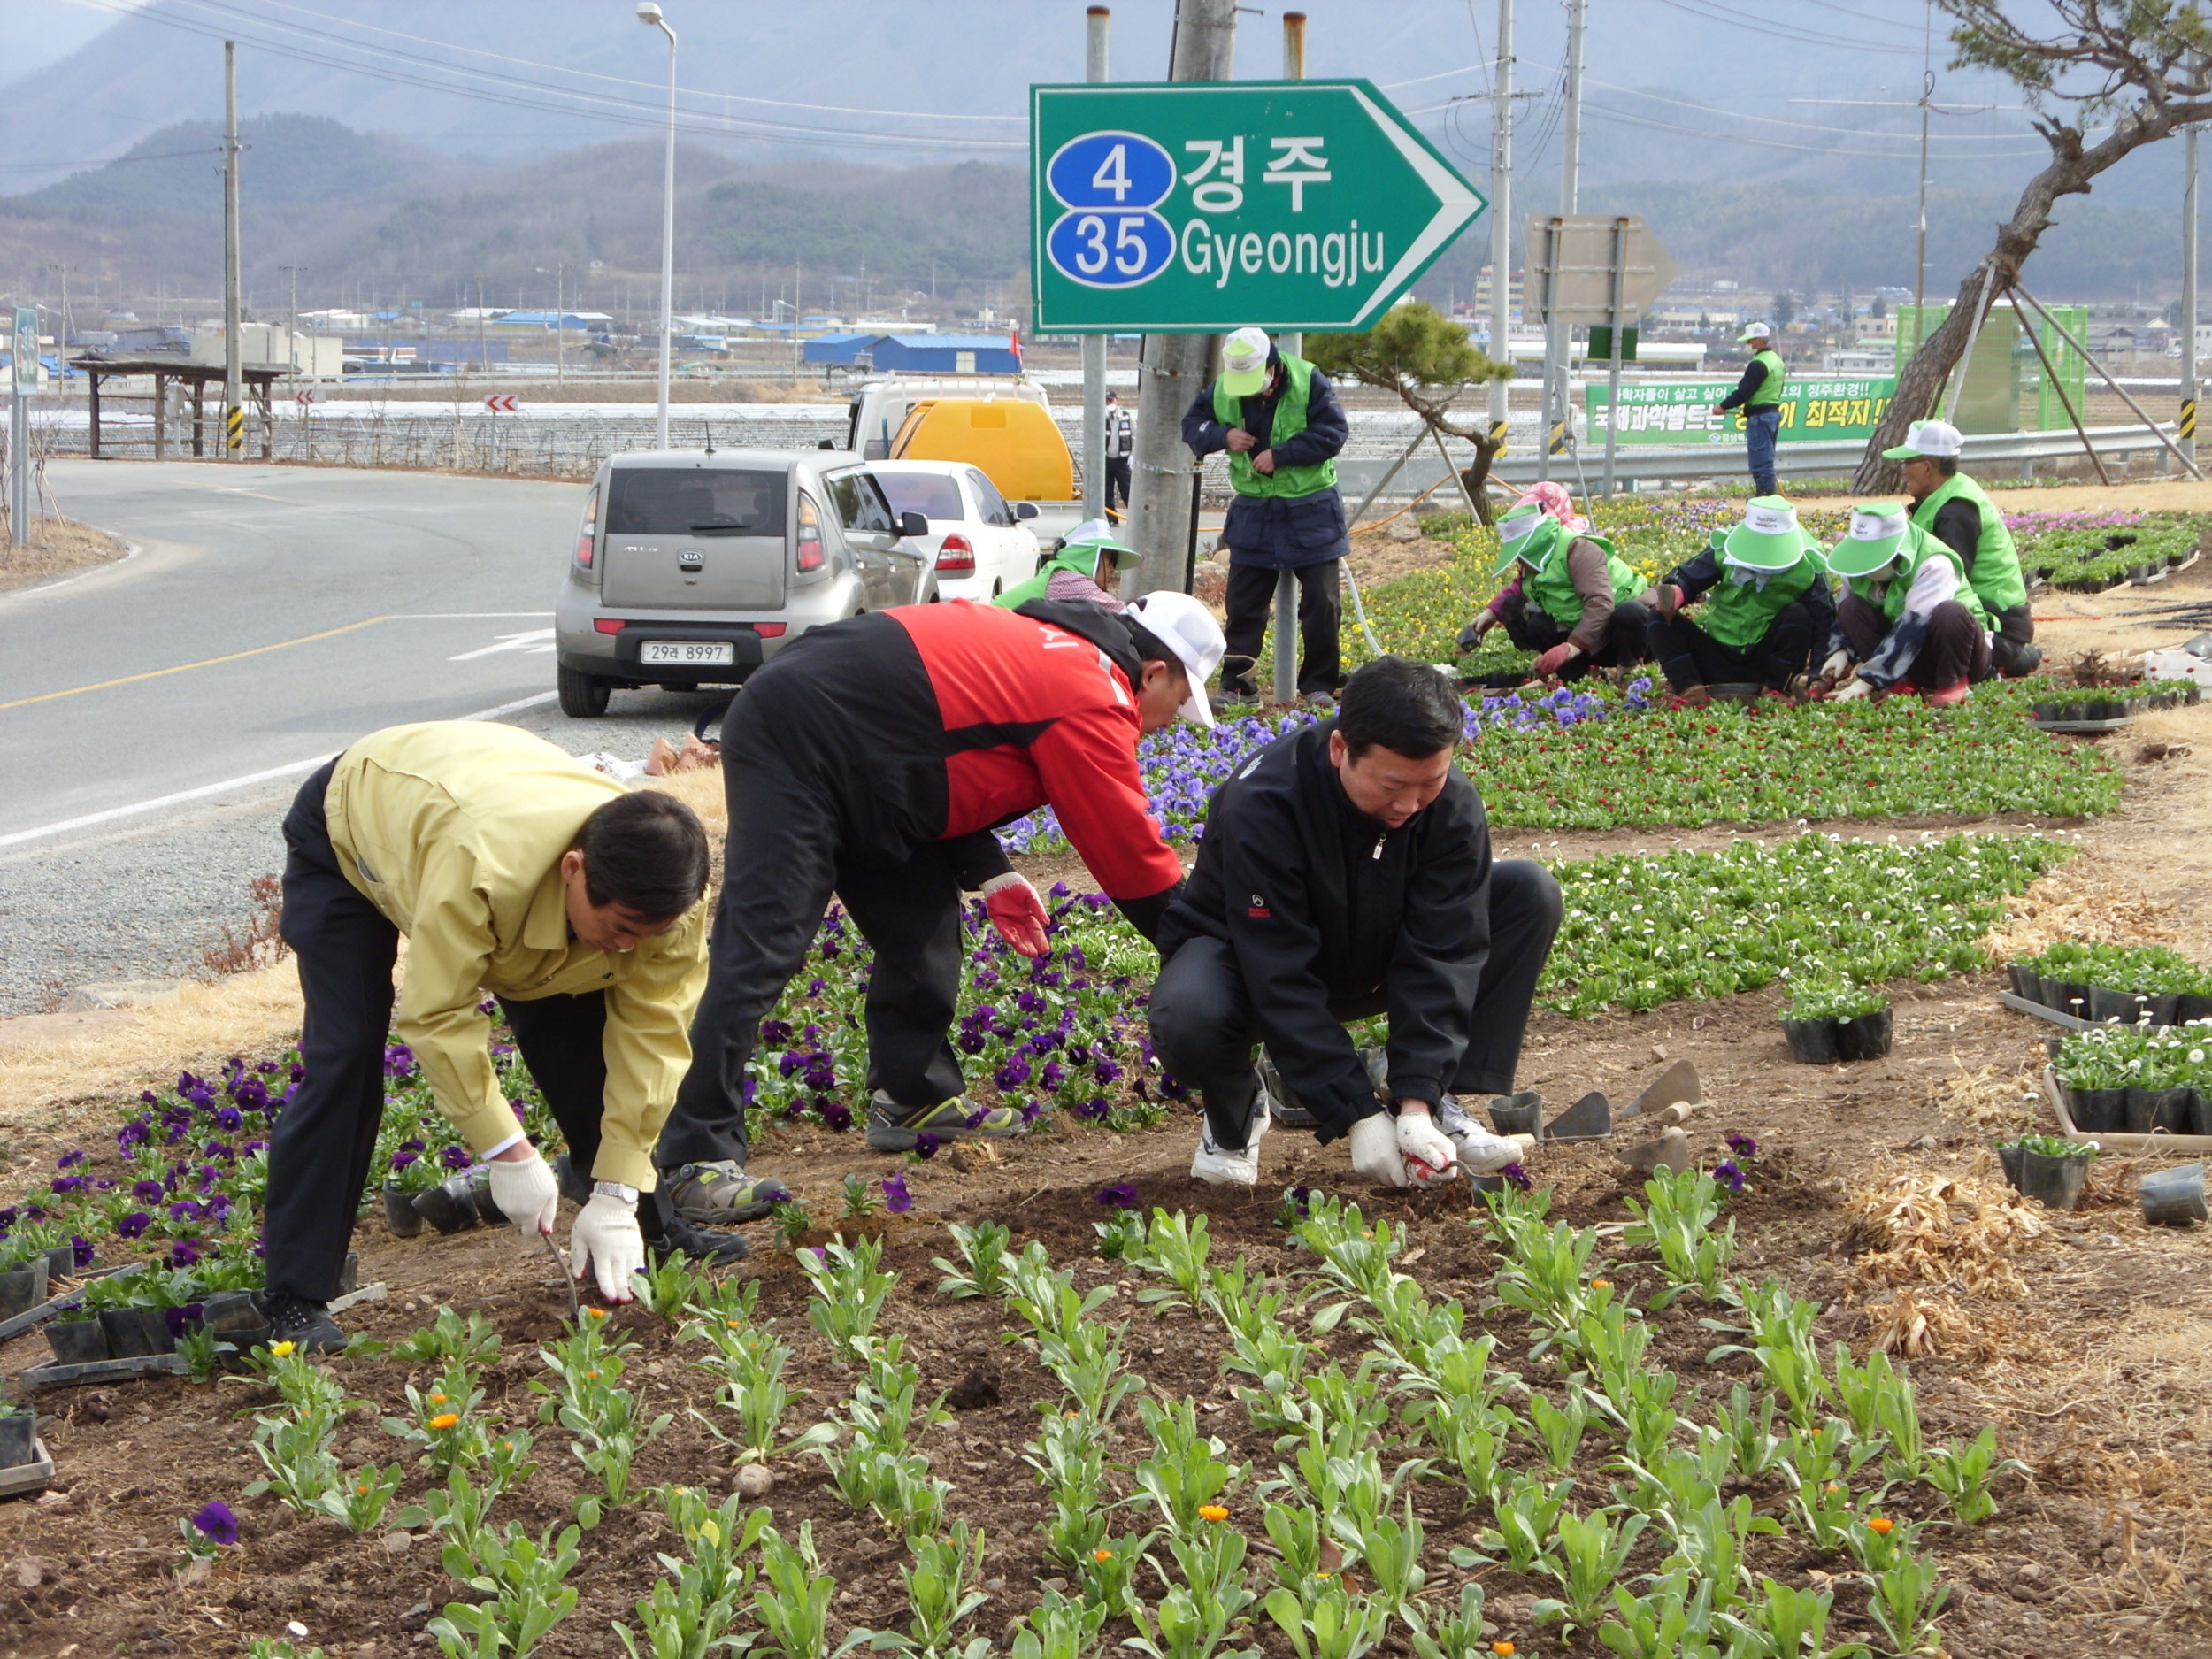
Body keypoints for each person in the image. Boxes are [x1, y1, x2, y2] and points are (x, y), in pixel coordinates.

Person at [657, 591, 1225, 1217]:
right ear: (1153, 673)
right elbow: (1129, 853)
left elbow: (938, 738)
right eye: (1179, 703)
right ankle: (691, 1154)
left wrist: (990, 871)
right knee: (762, 944)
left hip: (862, 744)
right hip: (802, 731)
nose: (1171, 721)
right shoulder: (1091, 689)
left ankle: (913, 1094)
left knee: (920, 917)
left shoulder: (1054, 648)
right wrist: (1206, 954)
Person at [264, 722, 731, 1351]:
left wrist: (618, 1190)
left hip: (490, 801)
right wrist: (506, 1150)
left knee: (584, 1038)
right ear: (575, 868)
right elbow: (436, 1013)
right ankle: (294, 1295)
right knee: (344, 1056)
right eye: (619, 926)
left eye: (647, 934)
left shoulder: (669, 895)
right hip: (359, 829)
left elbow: (654, 1033)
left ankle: (643, 1226)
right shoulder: (480, 868)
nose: (628, 946)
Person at [1149, 656, 1563, 1189]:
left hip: (1370, 950)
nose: (1410, 805)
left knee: (1527, 893)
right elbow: (1277, 968)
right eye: (1392, 786)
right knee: (1188, 1013)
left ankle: (1438, 1105)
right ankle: (1235, 1112)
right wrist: (1357, 1115)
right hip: (1248, 967)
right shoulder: (1265, 803)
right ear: (1340, 749)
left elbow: (1444, 949)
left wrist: (1415, 1101)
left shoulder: (1450, 804)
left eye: (1430, 782)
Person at [1182, 326, 1351, 705]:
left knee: (1322, 604)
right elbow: (1192, 427)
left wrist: (1282, 454)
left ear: (1272, 368)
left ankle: (1318, 686)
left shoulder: (1309, 380)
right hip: (1254, 509)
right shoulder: (1224, 386)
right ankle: (1239, 686)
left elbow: (1333, 433)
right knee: (1243, 604)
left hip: (1311, 507)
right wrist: (1224, 436)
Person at [1883, 419, 2039, 676]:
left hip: (1995, 626)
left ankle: (2002, 661)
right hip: (1990, 620)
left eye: (1906, 463)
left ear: (1926, 467)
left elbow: (1946, 581)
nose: (1903, 472)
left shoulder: (1956, 510)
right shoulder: (1948, 493)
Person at [1645, 496, 1834, 705]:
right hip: (1717, 657)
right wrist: (1676, 590)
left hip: (1770, 663)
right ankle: (1691, 689)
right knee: (1658, 617)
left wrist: (1817, 673)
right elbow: (1689, 577)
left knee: (1798, 614)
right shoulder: (1727, 548)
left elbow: (1823, 620)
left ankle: (1775, 690)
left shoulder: (1807, 564)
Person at [1812, 502, 1992, 707]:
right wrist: (1840, 650)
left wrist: (1867, 681)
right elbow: (1844, 612)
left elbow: (1912, 626)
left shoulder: (1934, 563)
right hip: (1908, 659)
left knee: (1949, 612)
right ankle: (1901, 682)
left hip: (1961, 653)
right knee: (1851, 607)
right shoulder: (1855, 568)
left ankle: (1953, 683)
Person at [1457, 501, 1652, 680]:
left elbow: (1600, 605)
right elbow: (1519, 587)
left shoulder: (1579, 549)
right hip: (1592, 635)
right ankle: (1577, 675)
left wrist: (1572, 646)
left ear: (1534, 546)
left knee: (1629, 613)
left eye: (1520, 554)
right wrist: (1491, 613)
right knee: (1538, 625)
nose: (1519, 561)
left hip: (1625, 632)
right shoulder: (1537, 563)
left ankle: (1628, 671)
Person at [1713, 322, 1786, 496]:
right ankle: (1767, 493)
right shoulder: (1777, 361)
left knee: (1760, 460)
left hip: (1759, 416)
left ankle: (1766, 496)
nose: (1749, 344)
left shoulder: (1759, 363)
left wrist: (1723, 406)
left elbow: (1745, 391)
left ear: (1760, 340)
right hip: (1772, 414)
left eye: (1751, 340)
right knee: (1766, 457)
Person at [995, 519, 1128, 612]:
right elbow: (1123, 614)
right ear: (1091, 556)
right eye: (1111, 559)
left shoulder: (1059, 572)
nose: (1113, 569)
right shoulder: (1070, 580)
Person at [1102, 391, 1133, 513]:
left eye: (1111, 400)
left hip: (1122, 459)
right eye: (1107, 401)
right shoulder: (1102, 417)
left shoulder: (1126, 416)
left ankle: (1133, 516)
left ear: (1117, 401)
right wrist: (1103, 416)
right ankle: (1112, 518)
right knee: (1106, 491)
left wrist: (1132, 454)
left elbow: (1134, 435)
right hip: (1107, 459)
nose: (1109, 403)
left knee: (1127, 489)